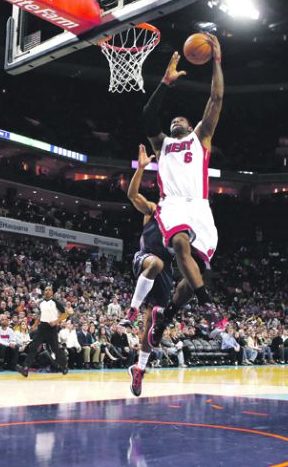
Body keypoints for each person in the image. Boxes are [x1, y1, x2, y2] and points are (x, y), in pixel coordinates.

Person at [142, 35, 226, 348]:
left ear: (190, 127)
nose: (176, 120)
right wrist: (165, 82)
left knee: (193, 276)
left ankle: (165, 317)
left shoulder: (200, 138)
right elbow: (148, 116)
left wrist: (217, 61)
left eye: (181, 119)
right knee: (179, 242)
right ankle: (209, 306)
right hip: (173, 204)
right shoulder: (161, 143)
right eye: (173, 119)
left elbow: (216, 99)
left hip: (201, 209)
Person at [124, 144, 176, 396]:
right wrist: (141, 170)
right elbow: (132, 195)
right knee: (156, 263)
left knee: (152, 328)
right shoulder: (155, 209)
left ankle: (139, 370)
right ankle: (132, 308)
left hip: (166, 274)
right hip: (145, 259)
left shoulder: (183, 220)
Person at [16, 285, 72, 377]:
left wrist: (56, 321)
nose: (47, 291)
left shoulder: (56, 302)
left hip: (52, 328)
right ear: (44, 292)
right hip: (42, 328)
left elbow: (65, 314)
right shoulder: (41, 303)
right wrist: (34, 325)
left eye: (49, 290)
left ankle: (64, 366)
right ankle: (25, 368)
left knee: (56, 349)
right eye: (46, 290)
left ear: (52, 292)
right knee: (33, 347)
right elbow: (41, 315)